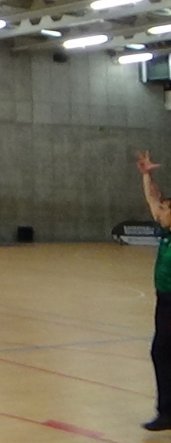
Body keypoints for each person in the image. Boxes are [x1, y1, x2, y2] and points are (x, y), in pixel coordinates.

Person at [137, 151, 171, 431]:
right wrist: (147, 175)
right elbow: (153, 200)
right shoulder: (167, 232)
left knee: (162, 351)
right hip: (165, 300)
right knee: (161, 352)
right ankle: (166, 411)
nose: (162, 211)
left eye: (168, 208)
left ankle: (167, 411)